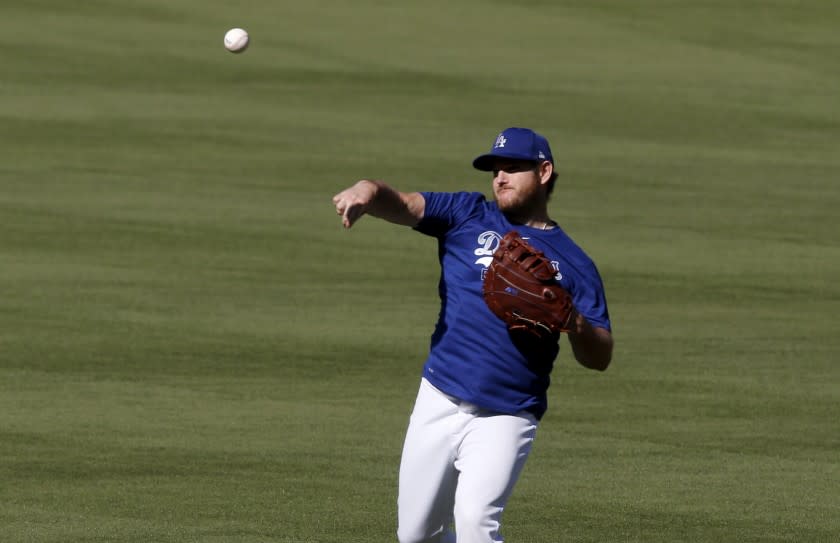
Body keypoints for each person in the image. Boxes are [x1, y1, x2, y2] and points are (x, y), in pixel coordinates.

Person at [332, 127, 613, 543]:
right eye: (495, 168)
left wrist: (574, 323)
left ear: (545, 172)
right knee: (416, 536)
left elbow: (600, 355)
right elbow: (407, 205)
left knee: (476, 521)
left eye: (513, 167)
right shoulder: (467, 213)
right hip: (439, 396)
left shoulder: (574, 262)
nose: (500, 176)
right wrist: (369, 191)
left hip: (507, 413)